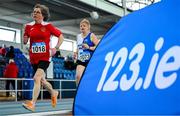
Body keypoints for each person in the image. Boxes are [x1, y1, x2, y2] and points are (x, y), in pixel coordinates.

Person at [22, 4, 64, 112]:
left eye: (37, 12)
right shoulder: (28, 26)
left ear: (43, 15)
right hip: (33, 58)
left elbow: (61, 36)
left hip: (45, 57)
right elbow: (25, 41)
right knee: (42, 81)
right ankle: (53, 92)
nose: (35, 13)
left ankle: (32, 103)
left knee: (36, 78)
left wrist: (56, 48)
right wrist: (24, 37)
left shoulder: (48, 26)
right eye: (34, 11)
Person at [76, 19, 100, 85]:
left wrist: (89, 47)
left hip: (91, 60)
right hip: (81, 59)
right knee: (78, 76)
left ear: (88, 27)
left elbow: (99, 47)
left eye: (84, 26)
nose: (82, 27)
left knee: (89, 79)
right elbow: (78, 47)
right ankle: (78, 93)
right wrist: (76, 53)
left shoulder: (91, 35)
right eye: (81, 26)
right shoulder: (78, 36)